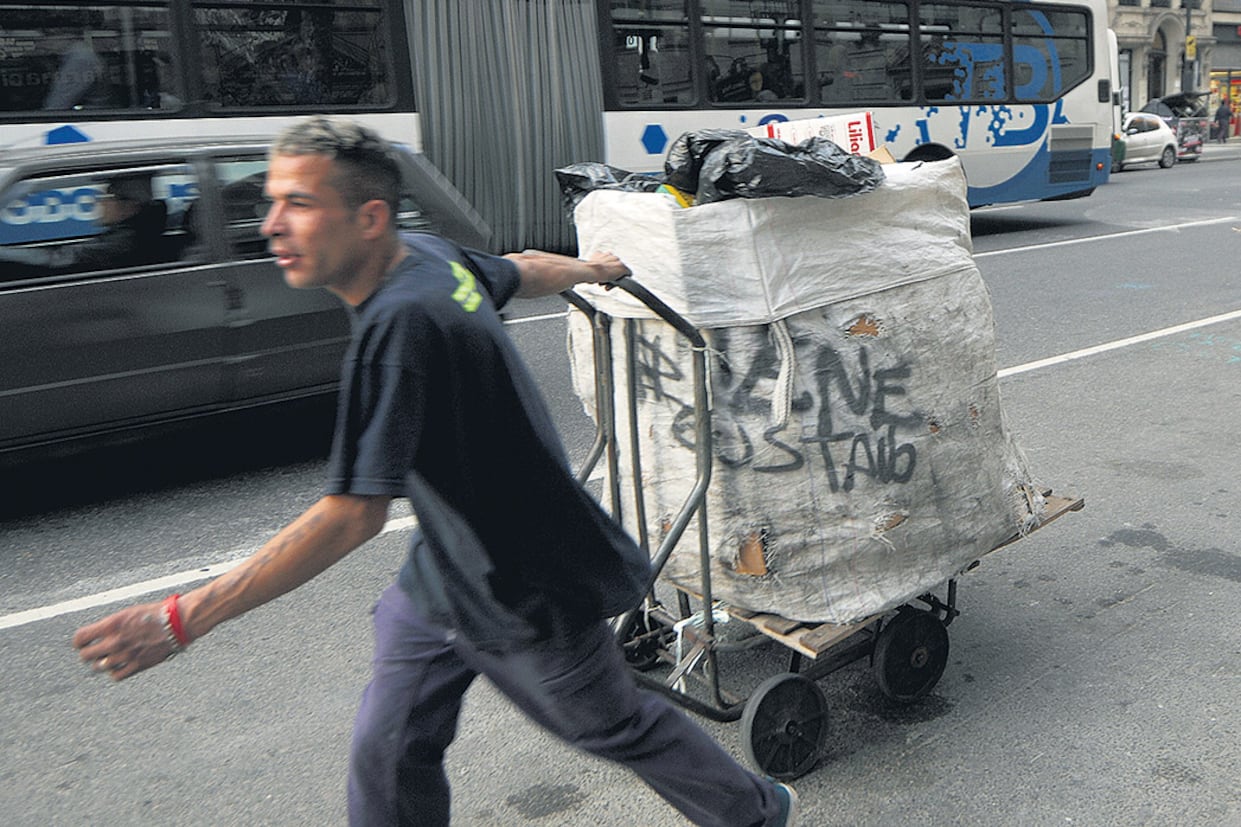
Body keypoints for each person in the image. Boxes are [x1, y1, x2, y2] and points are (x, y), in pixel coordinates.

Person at [72, 116, 799, 827]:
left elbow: (350, 514)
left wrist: (182, 618)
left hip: (528, 583)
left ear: (368, 219)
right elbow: (520, 270)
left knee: (614, 724)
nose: (271, 225)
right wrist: (594, 270)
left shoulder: (402, 325)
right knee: (389, 748)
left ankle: (760, 810)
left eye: (299, 203)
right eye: (272, 201)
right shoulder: (423, 255)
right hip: (446, 570)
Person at [0, 173, 167, 277]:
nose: (98, 202)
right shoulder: (133, 234)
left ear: (130, 206)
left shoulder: (122, 243)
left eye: (107, 197)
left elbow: (57, 259)